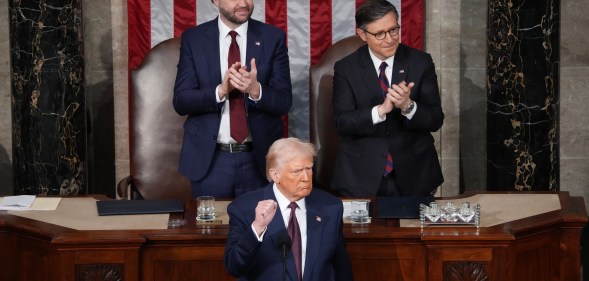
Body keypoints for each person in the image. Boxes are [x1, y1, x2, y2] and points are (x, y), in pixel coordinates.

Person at [173, 0, 292, 198]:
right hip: (211, 161)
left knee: (263, 227)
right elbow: (181, 101)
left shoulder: (272, 38)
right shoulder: (194, 39)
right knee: (211, 227)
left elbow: (284, 102)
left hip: (259, 159)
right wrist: (220, 91)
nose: (243, 3)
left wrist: (256, 90)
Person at [331, 0, 444, 197]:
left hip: (414, 173)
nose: (390, 39)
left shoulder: (420, 62)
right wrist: (380, 111)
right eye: (380, 34)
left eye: (394, 30)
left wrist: (408, 106)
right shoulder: (346, 68)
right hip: (361, 175)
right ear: (362, 34)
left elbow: (435, 119)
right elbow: (342, 122)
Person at [224, 137, 353, 281]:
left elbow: (341, 267)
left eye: (309, 168)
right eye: (297, 171)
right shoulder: (244, 208)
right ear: (275, 175)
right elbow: (234, 267)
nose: (306, 177)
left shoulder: (331, 207)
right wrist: (257, 227)